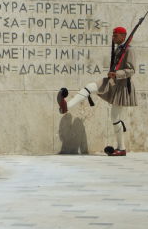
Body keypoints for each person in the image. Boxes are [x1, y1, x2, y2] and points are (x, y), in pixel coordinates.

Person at [57, 26, 137, 156]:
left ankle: (121, 148)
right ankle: (66, 106)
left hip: (121, 86)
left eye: (115, 36)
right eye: (113, 35)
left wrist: (117, 74)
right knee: (90, 87)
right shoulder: (120, 49)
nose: (113, 38)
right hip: (112, 82)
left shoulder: (129, 50)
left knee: (115, 117)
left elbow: (132, 70)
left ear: (123, 36)